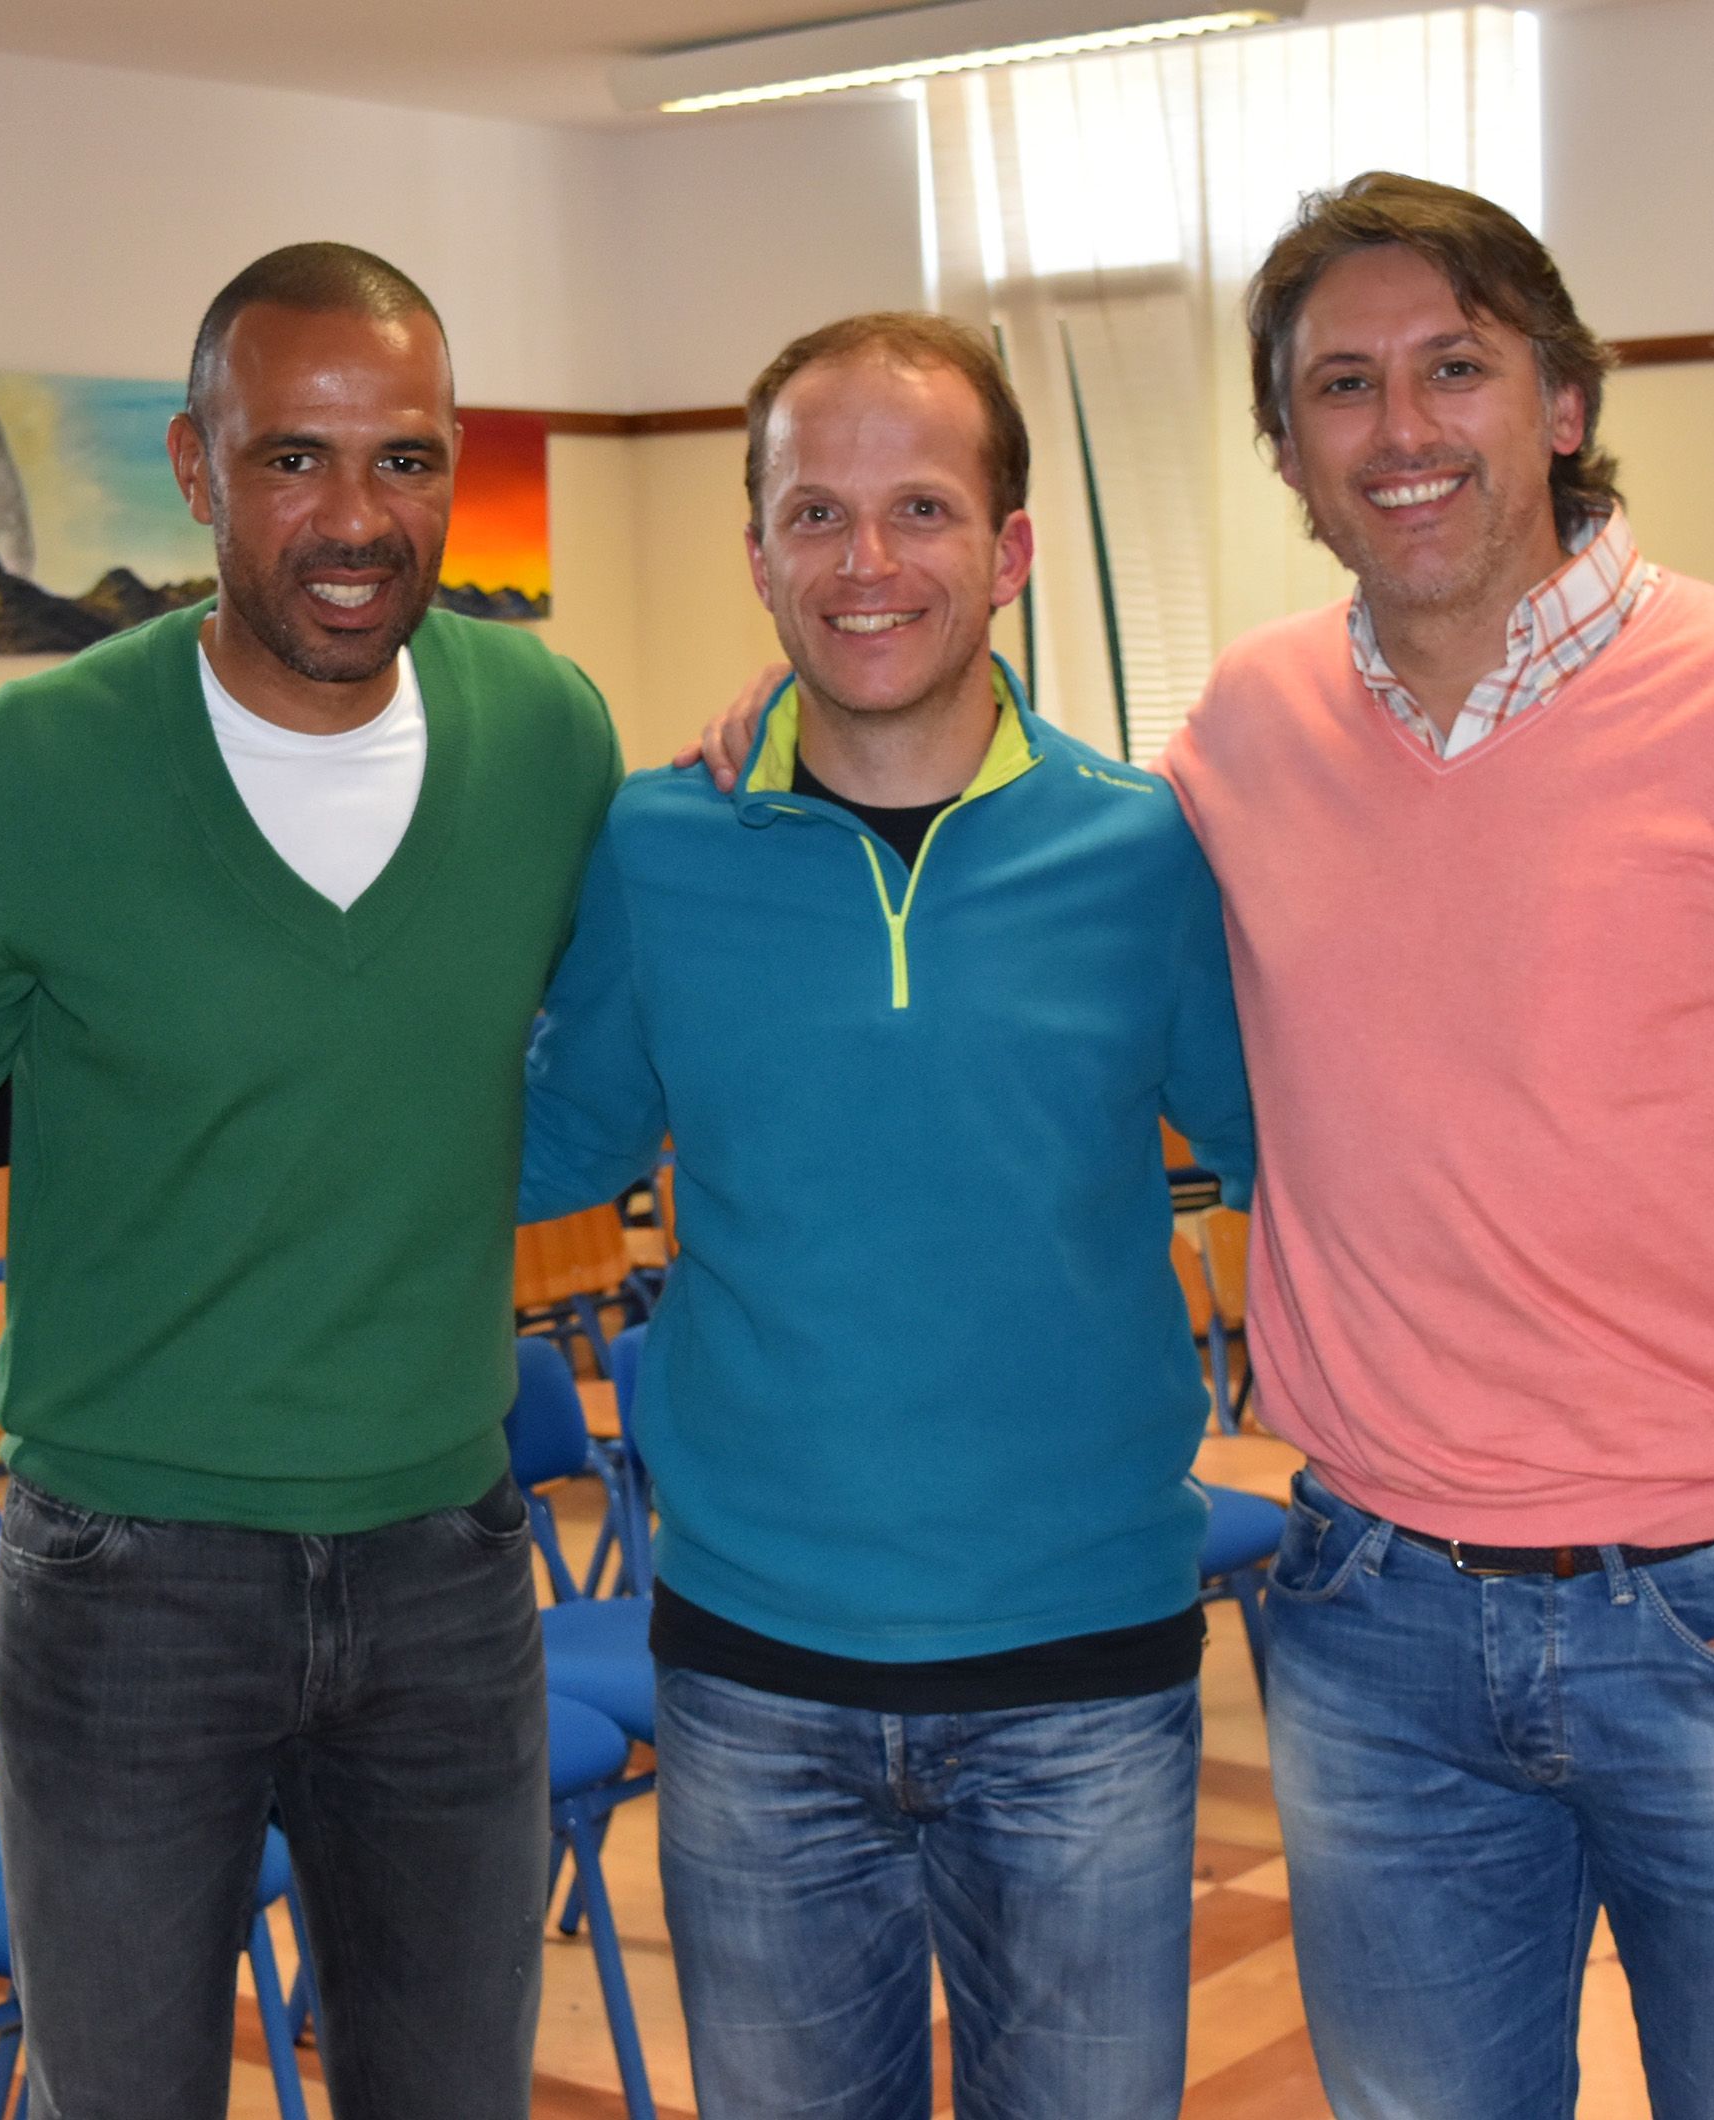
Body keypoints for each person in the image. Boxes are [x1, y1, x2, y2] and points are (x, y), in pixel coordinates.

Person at [1158, 174, 1714, 2116]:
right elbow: (1029, 846)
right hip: (1372, 1625)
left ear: (1561, 401)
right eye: (1341, 386)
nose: (1401, 428)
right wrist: (807, 724)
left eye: (1455, 367)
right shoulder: (1244, 726)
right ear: (1288, 452)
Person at [0, 243, 623, 2120]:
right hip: (129, 1582)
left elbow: (610, 1045)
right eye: (294, 457)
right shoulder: (31, 767)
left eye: (406, 459)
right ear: (195, 468)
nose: (356, 517)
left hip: (449, 1563)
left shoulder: (549, 738)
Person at [525, 312, 1250, 2120]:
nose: (867, 562)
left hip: (1083, 1674)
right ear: (758, 553)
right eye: (816, 515)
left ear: (1009, 551)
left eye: (920, 508)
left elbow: (1311, 1158)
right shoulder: (654, 848)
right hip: (753, 1678)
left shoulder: (1150, 848)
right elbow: (540, 1150)